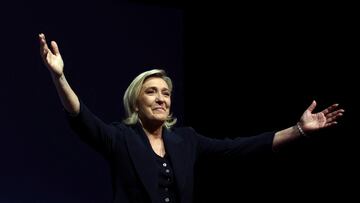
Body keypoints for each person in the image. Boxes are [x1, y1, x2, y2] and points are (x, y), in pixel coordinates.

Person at [39, 33, 344, 203]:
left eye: (166, 93)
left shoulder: (187, 140)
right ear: (135, 101)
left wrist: (298, 130)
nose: (161, 98)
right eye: (152, 92)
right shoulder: (120, 137)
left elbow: (240, 148)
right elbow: (81, 118)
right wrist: (59, 77)